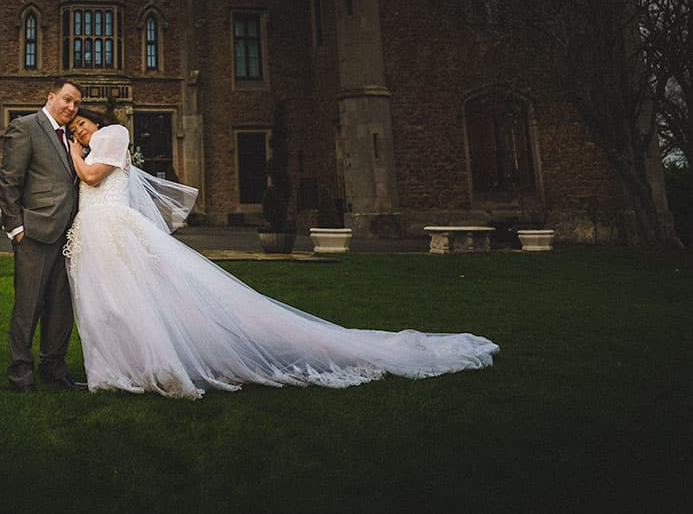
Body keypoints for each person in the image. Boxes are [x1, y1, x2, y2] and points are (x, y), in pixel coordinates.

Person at [64, 108, 498, 399]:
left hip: (115, 230)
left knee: (137, 300)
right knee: (110, 306)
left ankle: (157, 365)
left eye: (82, 122)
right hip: (97, 233)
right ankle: (117, 369)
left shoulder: (111, 136)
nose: (79, 130)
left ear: (97, 122)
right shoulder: (94, 144)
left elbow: (89, 174)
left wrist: (70, 148)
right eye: (75, 126)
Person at [0, 77, 88, 392]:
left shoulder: (71, 137)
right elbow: (10, 181)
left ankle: (54, 368)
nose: (71, 107)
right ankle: (20, 375)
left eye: (76, 103)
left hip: (68, 236)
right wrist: (16, 228)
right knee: (28, 307)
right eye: (67, 100)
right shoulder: (26, 127)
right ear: (51, 97)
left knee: (61, 307)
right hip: (35, 234)